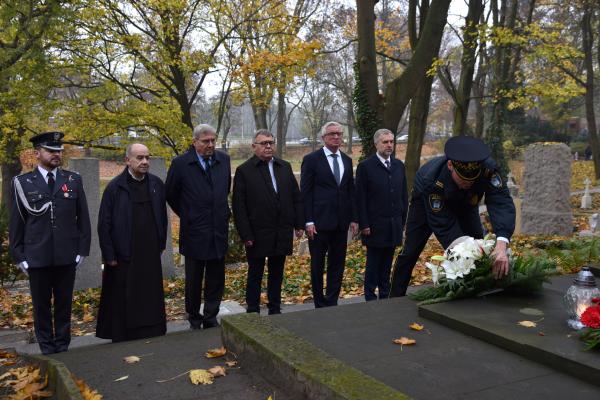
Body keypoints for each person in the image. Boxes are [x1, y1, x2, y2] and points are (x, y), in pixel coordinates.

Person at [389, 135, 516, 297]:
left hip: (465, 204)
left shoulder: (488, 169)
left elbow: (501, 202)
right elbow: (443, 224)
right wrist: (463, 247)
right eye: (462, 179)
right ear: (450, 165)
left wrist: (501, 243)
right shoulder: (431, 179)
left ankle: (474, 292)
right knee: (411, 251)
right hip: (427, 204)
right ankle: (394, 296)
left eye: (471, 180)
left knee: (478, 247)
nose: (467, 184)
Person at [9, 132, 91, 354]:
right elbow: (17, 222)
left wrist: (82, 250)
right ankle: (46, 347)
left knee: (64, 303)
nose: (57, 154)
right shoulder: (22, 183)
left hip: (67, 253)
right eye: (51, 150)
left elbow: (83, 217)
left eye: (59, 151)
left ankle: (62, 344)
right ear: (37, 153)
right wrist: (19, 257)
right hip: (37, 255)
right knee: (41, 305)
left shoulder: (73, 179)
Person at [96, 143, 167, 342]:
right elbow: (104, 224)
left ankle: (152, 330)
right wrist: (109, 255)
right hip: (124, 254)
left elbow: (162, 216)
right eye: (139, 158)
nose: (145, 162)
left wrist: (160, 244)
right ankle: (125, 335)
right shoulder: (115, 188)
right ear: (127, 160)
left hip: (150, 252)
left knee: (149, 293)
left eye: (147, 157)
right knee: (125, 295)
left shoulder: (156, 184)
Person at [165, 124, 231, 329]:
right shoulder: (181, 164)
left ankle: (211, 316)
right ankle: (194, 316)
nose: (211, 144)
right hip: (195, 231)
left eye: (213, 140)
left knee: (216, 277)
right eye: (206, 141)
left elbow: (225, 188)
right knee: (194, 279)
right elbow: (171, 194)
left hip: (218, 229)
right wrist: (189, 214)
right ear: (195, 142)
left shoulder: (224, 160)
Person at [232, 129, 304, 314]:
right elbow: (239, 207)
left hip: (281, 229)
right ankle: (253, 310)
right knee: (255, 272)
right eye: (264, 143)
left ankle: (275, 307)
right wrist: (246, 234)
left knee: (277, 272)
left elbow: (295, 197)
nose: (268, 146)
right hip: (256, 232)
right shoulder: (244, 171)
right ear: (254, 146)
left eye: (271, 142)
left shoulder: (284, 166)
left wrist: (299, 224)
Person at [301, 121, 358, 308]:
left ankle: (332, 300)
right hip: (318, 223)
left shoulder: (347, 160)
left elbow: (350, 192)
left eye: (339, 134)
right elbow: (306, 192)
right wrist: (308, 220)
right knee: (317, 264)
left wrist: (354, 218)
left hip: (341, 224)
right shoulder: (311, 160)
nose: (336, 137)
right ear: (323, 137)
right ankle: (319, 302)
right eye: (332, 134)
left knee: (337, 263)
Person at [355, 129, 408, 301]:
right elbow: (360, 198)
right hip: (374, 226)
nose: (389, 145)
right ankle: (370, 297)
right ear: (376, 144)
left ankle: (385, 296)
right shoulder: (366, 167)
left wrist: (403, 222)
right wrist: (364, 224)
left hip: (394, 224)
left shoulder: (399, 166)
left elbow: (403, 196)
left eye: (391, 141)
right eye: (385, 142)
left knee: (387, 264)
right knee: (373, 264)